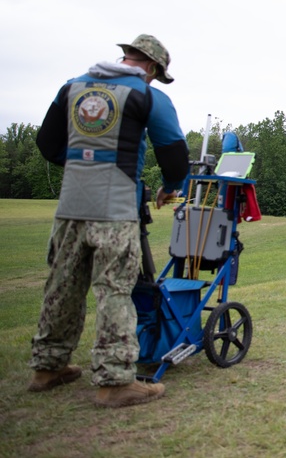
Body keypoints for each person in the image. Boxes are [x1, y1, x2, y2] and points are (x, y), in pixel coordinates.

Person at [30, 35, 189, 408]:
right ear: (151, 67)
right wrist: (169, 188)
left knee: (62, 285)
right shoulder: (147, 96)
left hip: (70, 206)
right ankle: (116, 381)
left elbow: (47, 144)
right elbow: (175, 155)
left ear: (127, 57)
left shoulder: (72, 87)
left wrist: (84, 165)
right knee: (115, 289)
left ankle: (47, 367)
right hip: (116, 208)